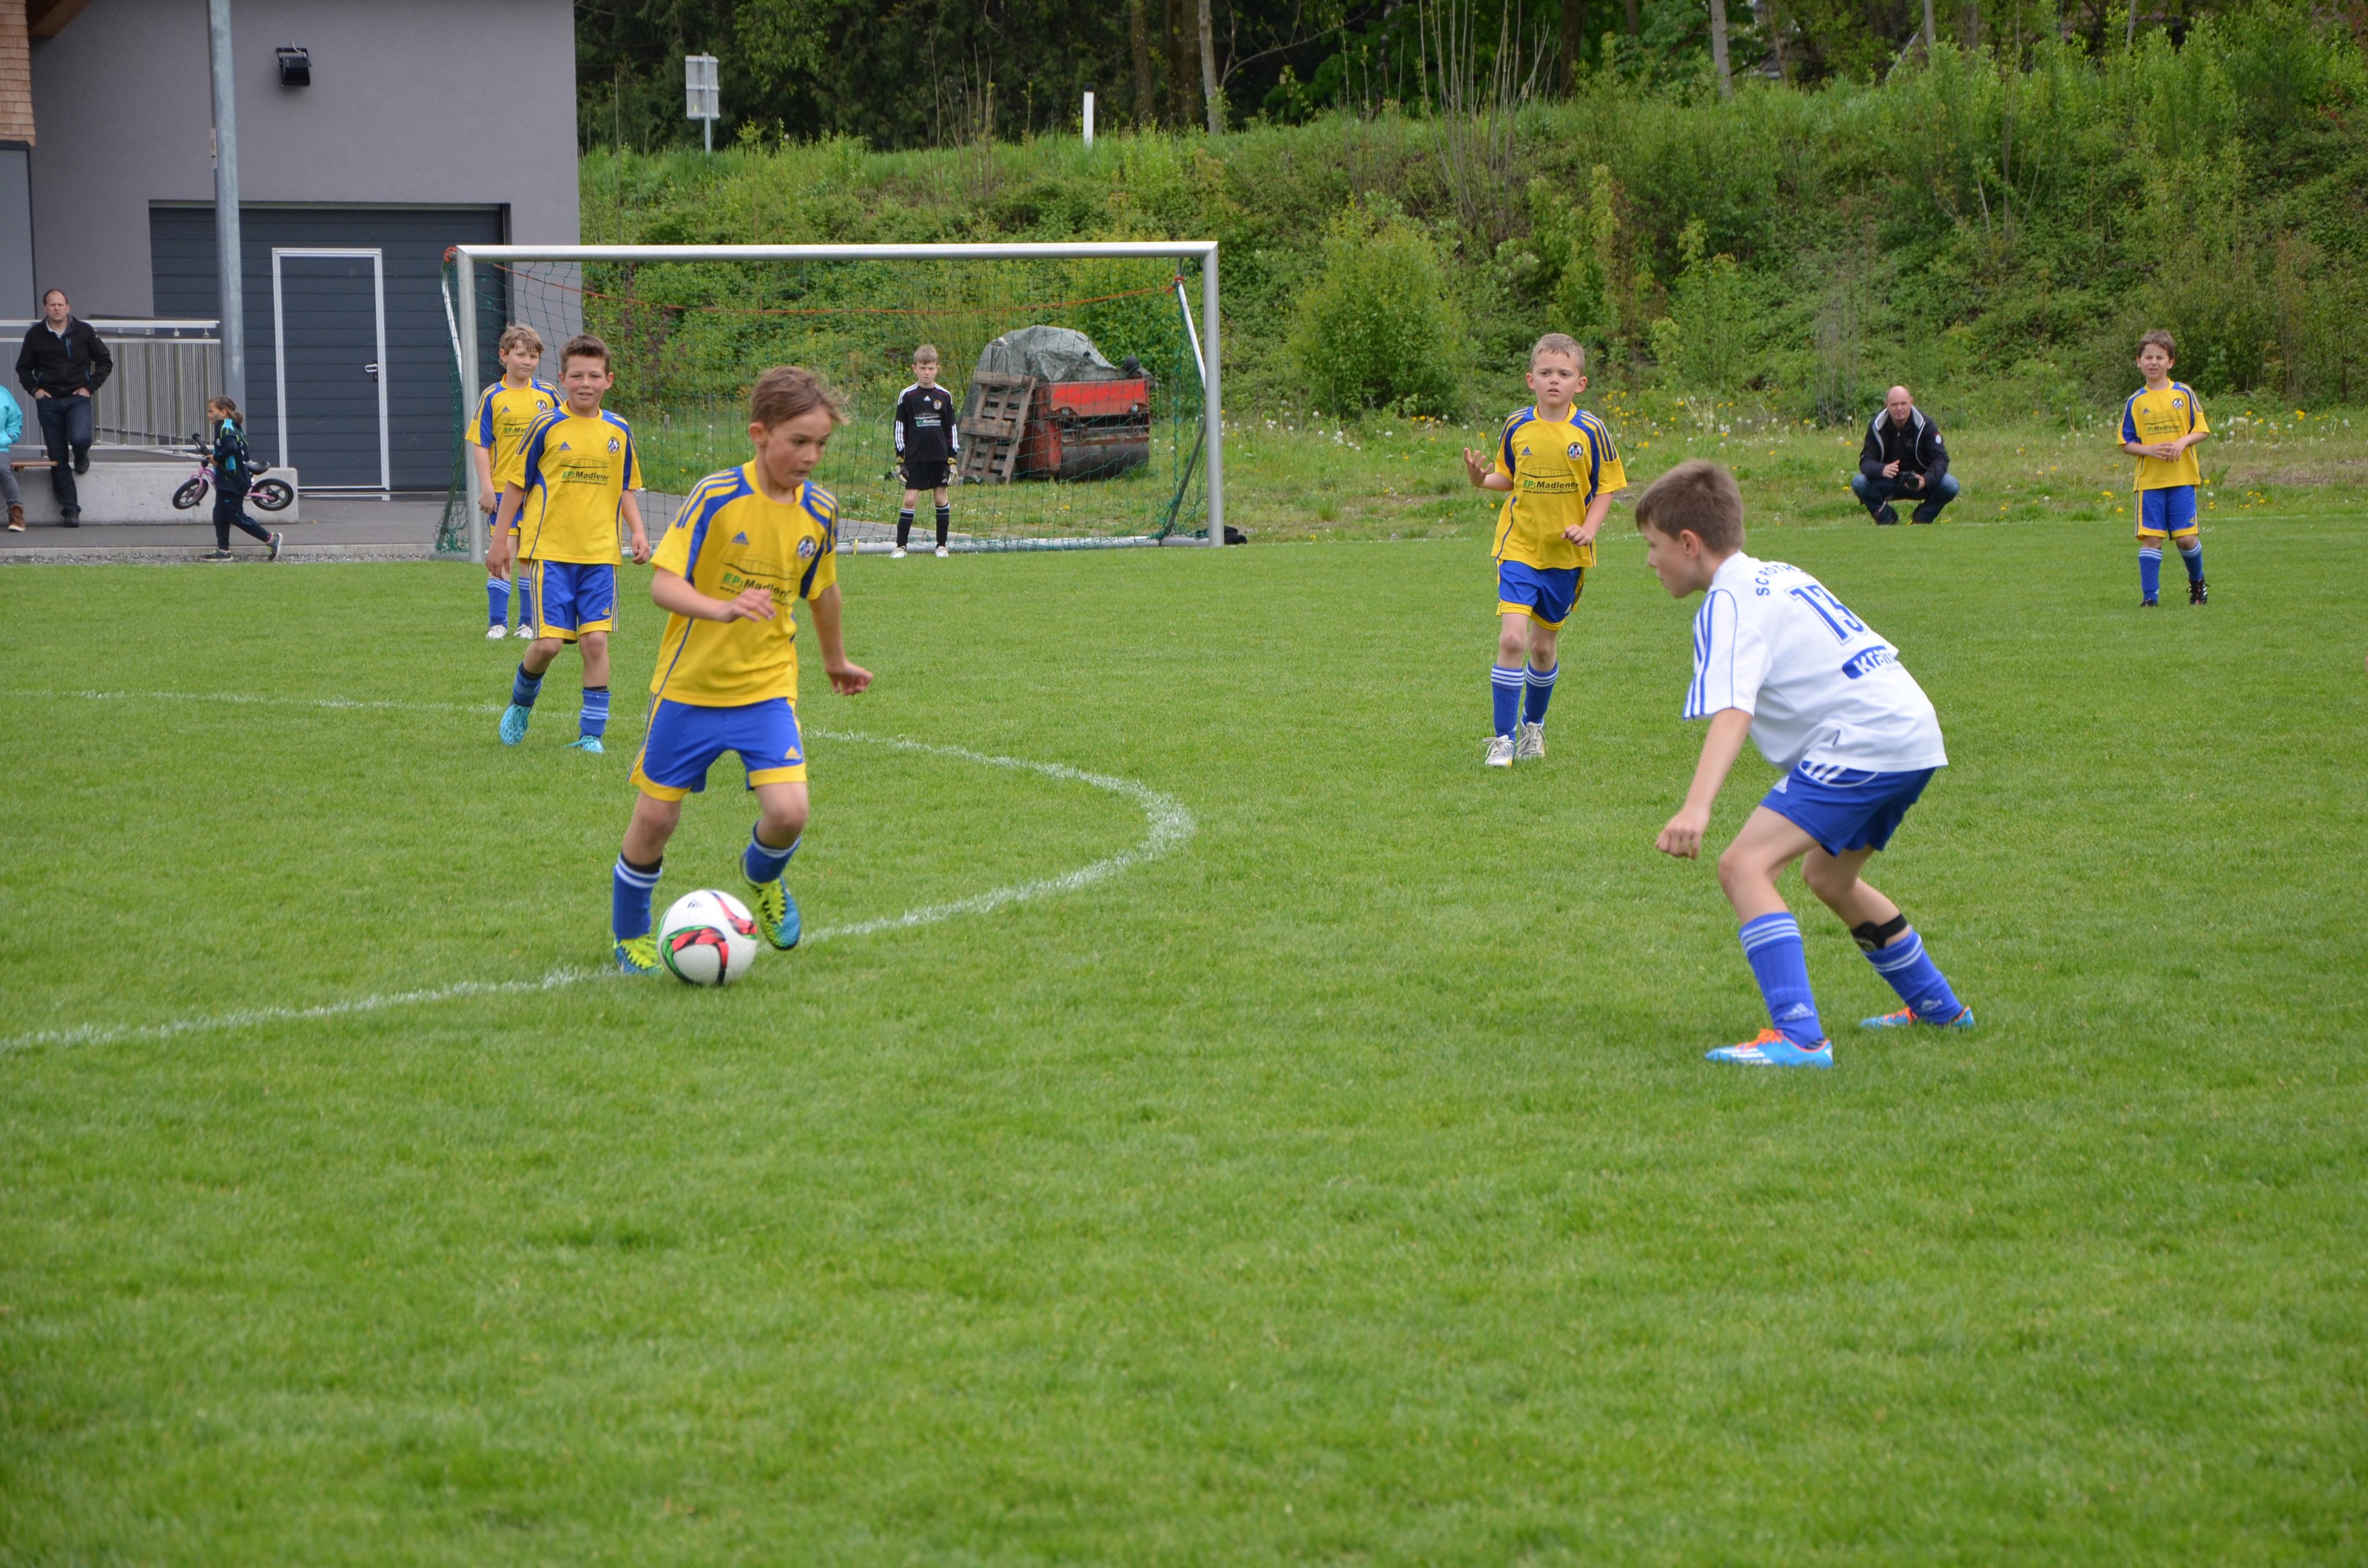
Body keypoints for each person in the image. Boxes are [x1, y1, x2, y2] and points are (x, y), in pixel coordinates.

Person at [1640, 459, 1973, 1069]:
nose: (1649, 561)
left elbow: (1735, 710)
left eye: (1652, 545)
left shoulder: (1728, 602)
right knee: (1829, 877)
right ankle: (1939, 1008)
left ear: (1688, 543)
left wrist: (1696, 807)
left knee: (1744, 866)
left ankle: (1799, 1039)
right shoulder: (1778, 574)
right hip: (1910, 727)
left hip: (1864, 739)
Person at [610, 365, 873, 975]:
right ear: (760, 434)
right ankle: (630, 934)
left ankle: (761, 876)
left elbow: (822, 591)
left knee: (789, 812)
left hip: (766, 688)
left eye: (820, 444)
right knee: (656, 818)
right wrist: (721, 608)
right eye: (798, 442)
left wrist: (834, 661)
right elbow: (664, 586)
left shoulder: (821, 510)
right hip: (690, 688)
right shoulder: (717, 497)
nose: (811, 456)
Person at [1460, 332, 1626, 767]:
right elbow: (1507, 476)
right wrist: (1481, 480)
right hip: (1519, 548)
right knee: (1513, 638)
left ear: (1580, 383)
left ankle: (1534, 727)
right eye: (1546, 372)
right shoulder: (1517, 425)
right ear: (1530, 379)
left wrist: (1589, 529)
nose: (1555, 380)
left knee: (1542, 648)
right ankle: (1503, 739)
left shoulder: (1592, 431)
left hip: (1565, 557)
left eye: (1564, 374)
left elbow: (1607, 487)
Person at [493, 335, 649, 755]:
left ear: (609, 380)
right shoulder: (545, 426)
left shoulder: (618, 430)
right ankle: (521, 705)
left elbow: (625, 487)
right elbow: (515, 486)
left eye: (594, 376)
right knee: (547, 645)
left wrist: (637, 531)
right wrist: (500, 541)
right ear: (562, 379)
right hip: (550, 553)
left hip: (600, 555)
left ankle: (590, 735)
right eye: (577, 376)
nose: (586, 383)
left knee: (595, 642)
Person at [469, 324, 562, 638]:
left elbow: (563, 434)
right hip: (501, 490)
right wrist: (486, 487)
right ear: (504, 356)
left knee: (530, 555)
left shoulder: (548, 395)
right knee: (504, 550)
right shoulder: (493, 396)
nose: (527, 361)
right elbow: (480, 444)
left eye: (533, 357)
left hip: (538, 492)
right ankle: (497, 623)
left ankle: (528, 622)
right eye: (521, 354)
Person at [2119, 330, 2211, 607]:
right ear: (2138, 362)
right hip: (2150, 482)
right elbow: (2126, 443)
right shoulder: (2136, 401)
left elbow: (2202, 430)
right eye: (2148, 357)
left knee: (2186, 539)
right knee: (2151, 539)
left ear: (2171, 362)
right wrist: (2148, 450)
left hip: (2182, 478)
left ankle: (2198, 584)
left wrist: (2182, 442)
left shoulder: (2183, 393)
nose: (2154, 362)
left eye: (2160, 357)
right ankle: (2150, 598)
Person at [14, 288, 113, 527]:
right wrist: (35, 391)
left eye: (60, 304)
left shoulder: (84, 331)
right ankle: (70, 510)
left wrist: (90, 387)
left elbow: (104, 361)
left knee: (81, 438)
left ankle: (81, 455)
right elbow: (23, 368)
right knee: (57, 458)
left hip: (78, 397)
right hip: (49, 401)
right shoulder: (35, 335)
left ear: (68, 307)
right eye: (52, 304)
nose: (56, 308)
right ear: (45, 308)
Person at [1851, 385, 1958, 525]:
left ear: (1911, 402)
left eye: (1903, 403)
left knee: (1950, 485)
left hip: (1919, 482)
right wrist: (1882, 469)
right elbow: (1866, 461)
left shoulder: (1926, 425)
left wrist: (1926, 480)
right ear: (1886, 405)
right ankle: (1887, 519)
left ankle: (1922, 519)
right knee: (1859, 482)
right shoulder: (1876, 426)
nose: (1899, 408)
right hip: (1888, 482)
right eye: (1894, 405)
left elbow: (1941, 459)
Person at [892, 345, 959, 557]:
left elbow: (951, 428)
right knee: (910, 500)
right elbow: (900, 427)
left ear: (938, 369)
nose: (927, 373)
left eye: (931, 368)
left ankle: (942, 546)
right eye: (923, 368)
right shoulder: (907, 396)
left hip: (940, 457)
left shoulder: (945, 396)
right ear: (915, 369)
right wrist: (900, 458)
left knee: (940, 498)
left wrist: (952, 459)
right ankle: (901, 547)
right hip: (915, 457)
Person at [199, 396, 283, 561]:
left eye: (211, 411)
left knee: (235, 515)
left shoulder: (225, 427)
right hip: (228, 478)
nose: (208, 415)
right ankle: (223, 551)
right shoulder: (232, 426)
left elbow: (231, 447)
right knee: (219, 515)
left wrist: (216, 458)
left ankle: (271, 539)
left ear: (223, 412)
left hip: (233, 479)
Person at [0, 380, 23, 531]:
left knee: (3, 469)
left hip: (0, 446)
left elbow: (15, 420)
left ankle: (17, 514)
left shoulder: (3, 393)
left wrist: (10, 436)